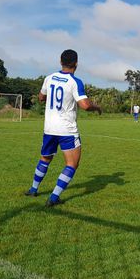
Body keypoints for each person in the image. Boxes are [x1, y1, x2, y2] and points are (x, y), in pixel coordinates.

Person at [25, 49, 102, 207]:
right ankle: (53, 198)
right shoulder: (75, 82)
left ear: (60, 61)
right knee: (71, 164)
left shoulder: (49, 78)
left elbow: (41, 97)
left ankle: (33, 189)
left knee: (45, 158)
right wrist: (97, 107)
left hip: (49, 128)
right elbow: (85, 105)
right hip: (66, 130)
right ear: (76, 64)